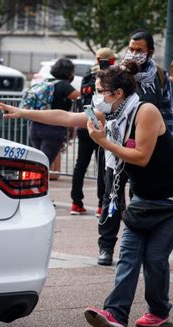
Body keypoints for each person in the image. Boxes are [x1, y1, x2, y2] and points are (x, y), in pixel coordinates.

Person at [0, 63, 173, 327]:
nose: (94, 96)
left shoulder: (144, 111)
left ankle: (159, 310)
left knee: (154, 258)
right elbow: (66, 118)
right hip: (144, 198)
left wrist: (103, 142)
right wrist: (21, 112)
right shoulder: (106, 113)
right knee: (128, 255)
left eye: (100, 91)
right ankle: (114, 314)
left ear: (117, 93)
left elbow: (142, 156)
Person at [96, 29, 173, 266]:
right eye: (131, 48)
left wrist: (169, 144)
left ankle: (137, 247)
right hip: (118, 148)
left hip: (146, 149)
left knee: (142, 200)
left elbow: (168, 112)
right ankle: (106, 246)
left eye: (139, 50)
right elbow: (102, 105)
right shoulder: (117, 74)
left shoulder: (159, 76)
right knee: (112, 197)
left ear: (149, 52)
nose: (134, 53)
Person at [70, 48, 115, 216]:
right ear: (111, 60)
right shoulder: (112, 78)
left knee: (80, 165)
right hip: (102, 126)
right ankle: (100, 205)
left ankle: (76, 203)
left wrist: (89, 121)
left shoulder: (88, 77)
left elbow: (84, 102)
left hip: (86, 123)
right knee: (103, 167)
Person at [29, 58, 80, 165]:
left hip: (35, 127)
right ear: (69, 73)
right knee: (43, 164)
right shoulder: (63, 85)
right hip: (53, 129)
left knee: (39, 162)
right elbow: (80, 98)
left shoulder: (46, 83)